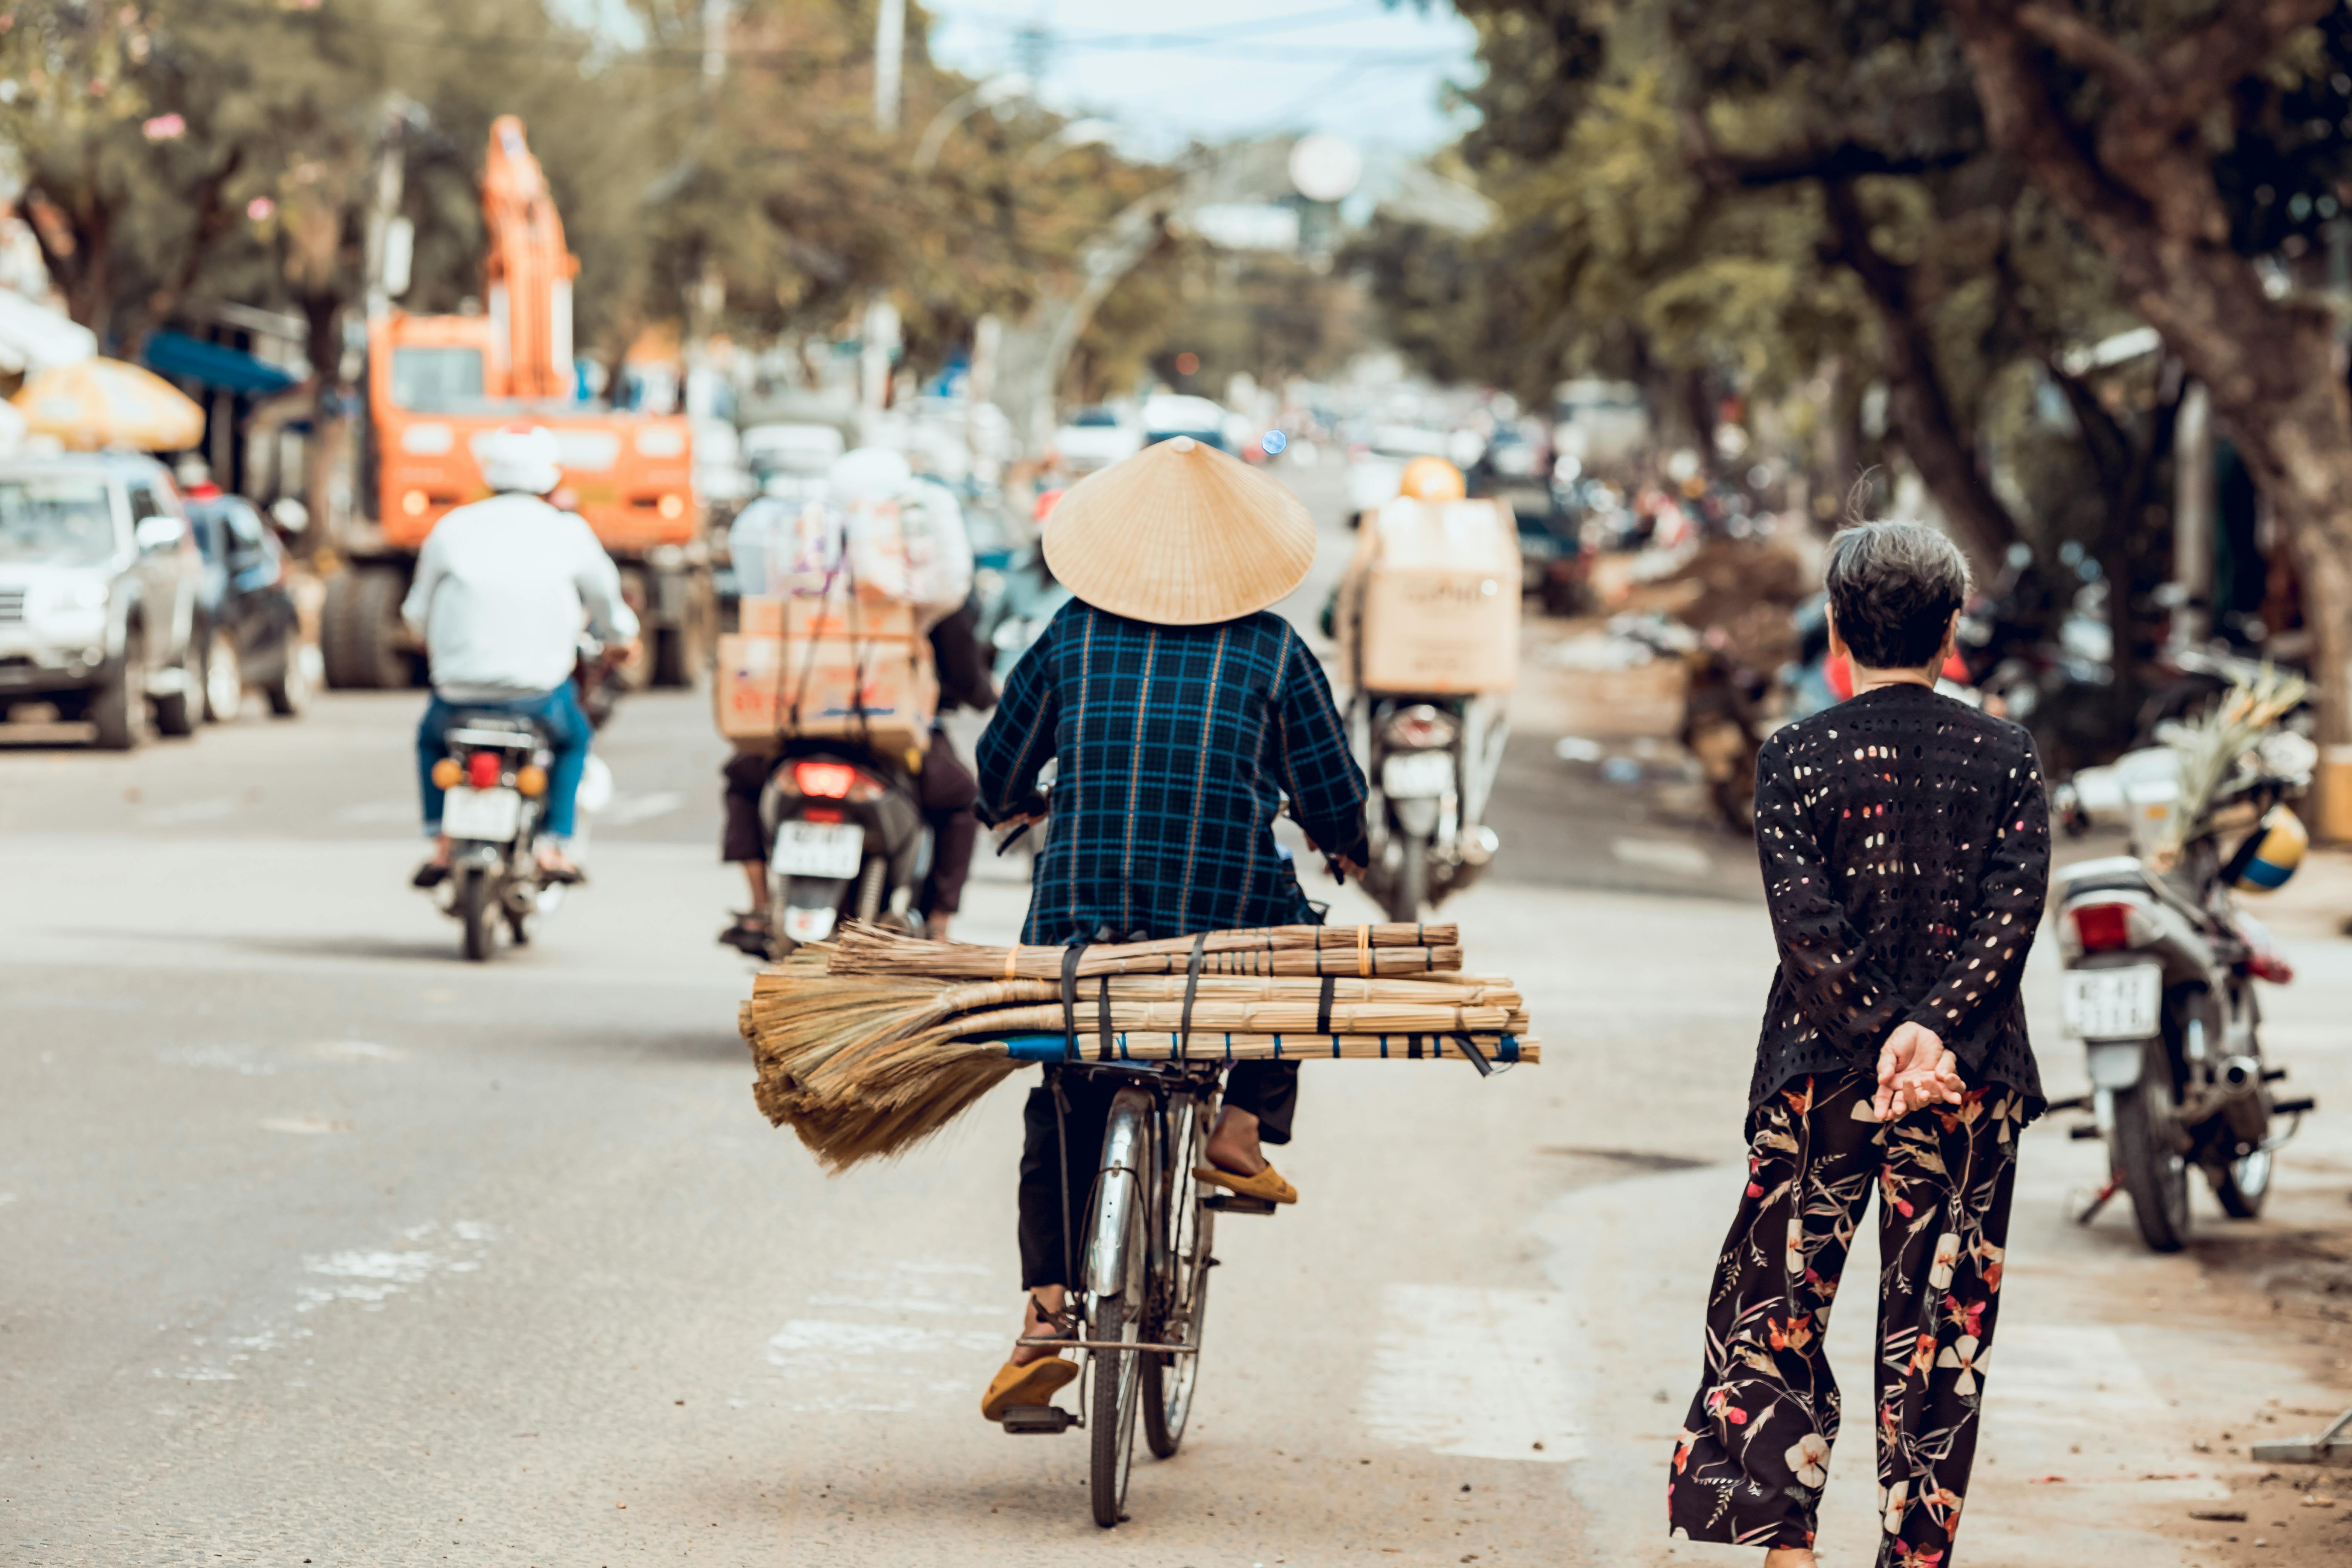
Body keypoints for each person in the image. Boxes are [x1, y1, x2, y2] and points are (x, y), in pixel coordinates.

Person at [1667, 521, 2050, 1568]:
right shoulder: (2009, 754)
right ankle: (1912, 1556)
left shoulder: (1793, 754)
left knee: (1782, 1301)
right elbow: (2010, 920)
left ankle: (1784, 1539)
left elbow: (1808, 930)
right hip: (1965, 1088)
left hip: (1818, 1078)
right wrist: (1931, 1036)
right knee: (1941, 1328)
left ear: (1837, 628)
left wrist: (1881, 1035)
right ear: (1954, 627)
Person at [971, 435, 1370, 1423]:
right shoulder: (1273, 647)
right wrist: (1342, 843)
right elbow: (1332, 789)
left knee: (1062, 1093)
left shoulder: (1070, 633)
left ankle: (1048, 1312)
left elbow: (998, 761)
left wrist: (1014, 804)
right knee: (1296, 949)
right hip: (1222, 916)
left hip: (1081, 922)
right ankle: (1238, 1130)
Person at [718, 447, 985, 949]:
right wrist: (979, 692)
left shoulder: (806, 558)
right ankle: (940, 924)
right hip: (887, 738)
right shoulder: (917, 576)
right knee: (960, 802)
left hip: (797, 731)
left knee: (740, 781)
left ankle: (757, 903)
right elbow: (962, 660)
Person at [403, 424, 637, 887]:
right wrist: (623, 638)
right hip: (537, 696)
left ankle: (441, 842)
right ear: (551, 478)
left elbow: (416, 613)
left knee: (430, 739)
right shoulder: (568, 531)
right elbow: (610, 607)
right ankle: (555, 845)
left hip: (457, 694)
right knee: (574, 740)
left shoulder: (452, 526)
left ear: (489, 475)